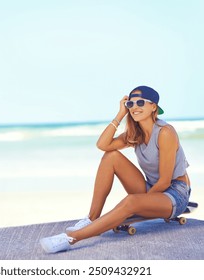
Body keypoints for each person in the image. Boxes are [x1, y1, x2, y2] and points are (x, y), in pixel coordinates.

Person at [40, 85, 191, 254]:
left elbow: (164, 181)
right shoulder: (135, 134)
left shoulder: (165, 133)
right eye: (130, 104)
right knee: (110, 156)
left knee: (131, 201)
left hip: (175, 194)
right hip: (152, 188)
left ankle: (71, 238)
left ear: (153, 106)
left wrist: (139, 205)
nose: (135, 107)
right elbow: (103, 145)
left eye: (140, 102)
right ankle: (91, 218)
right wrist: (120, 114)